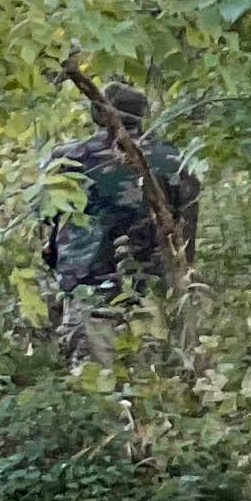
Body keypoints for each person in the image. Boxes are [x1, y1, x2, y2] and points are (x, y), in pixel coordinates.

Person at [45, 81, 196, 350]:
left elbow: (47, 218)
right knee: (153, 383)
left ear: (99, 112)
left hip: (88, 289)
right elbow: (187, 232)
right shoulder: (174, 160)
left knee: (92, 383)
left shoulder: (67, 159)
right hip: (153, 292)